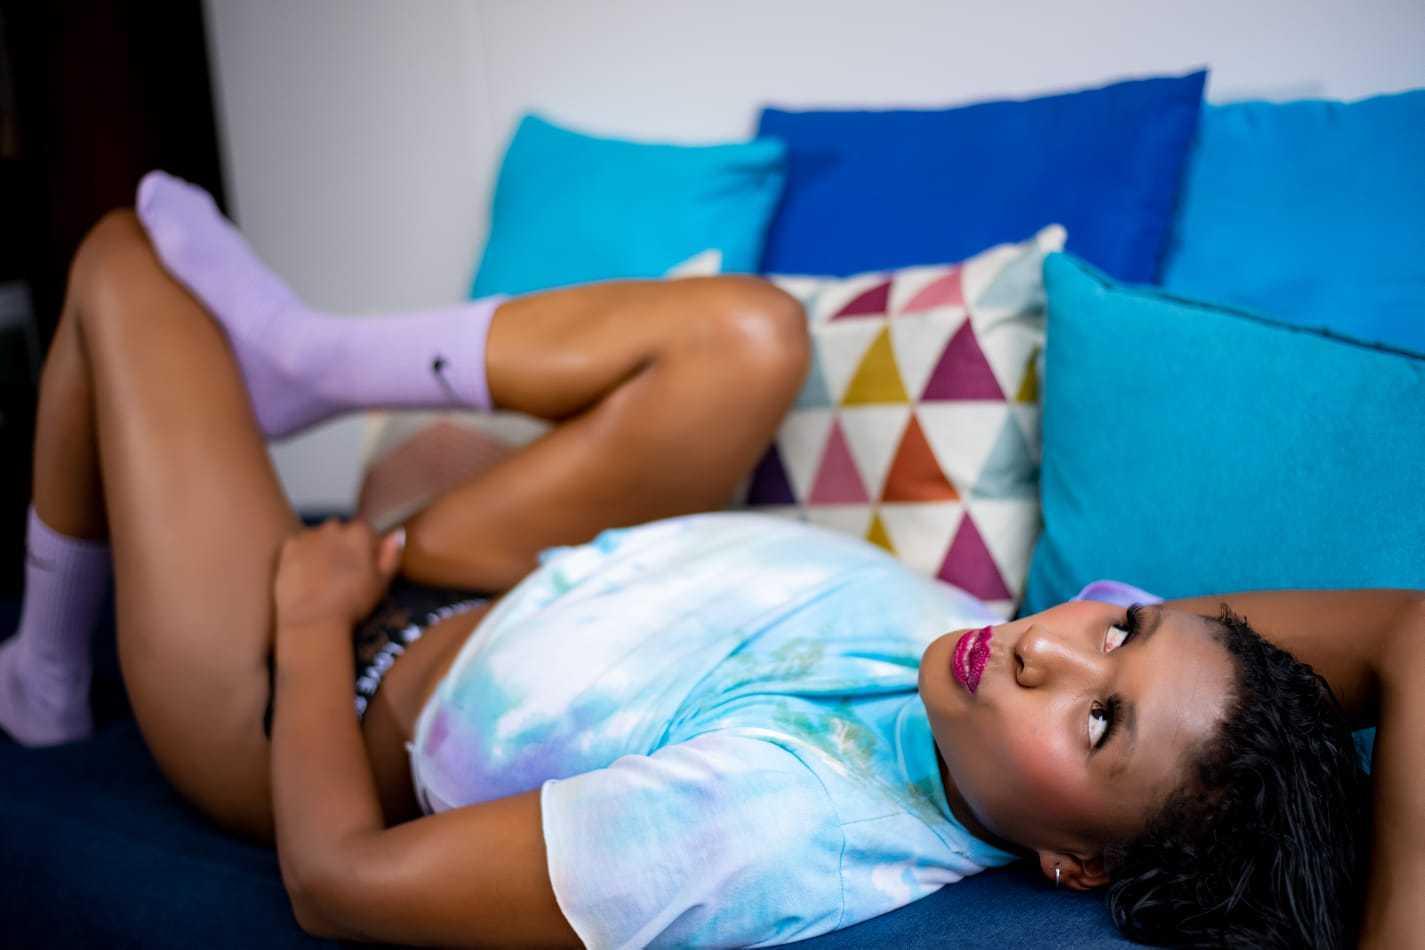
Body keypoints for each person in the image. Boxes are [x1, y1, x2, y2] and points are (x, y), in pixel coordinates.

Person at [0, 171, 1416, 949]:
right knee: (745, 338)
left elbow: (339, 884)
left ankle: (41, 676)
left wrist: (313, 622)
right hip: (527, 576)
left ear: (1069, 864)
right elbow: (1412, 630)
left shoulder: (774, 821)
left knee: (123, 263)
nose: (1056, 642)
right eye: (1123, 627)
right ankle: (314, 363)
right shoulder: (1042, 664)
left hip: (322, 679)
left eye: (1099, 723)